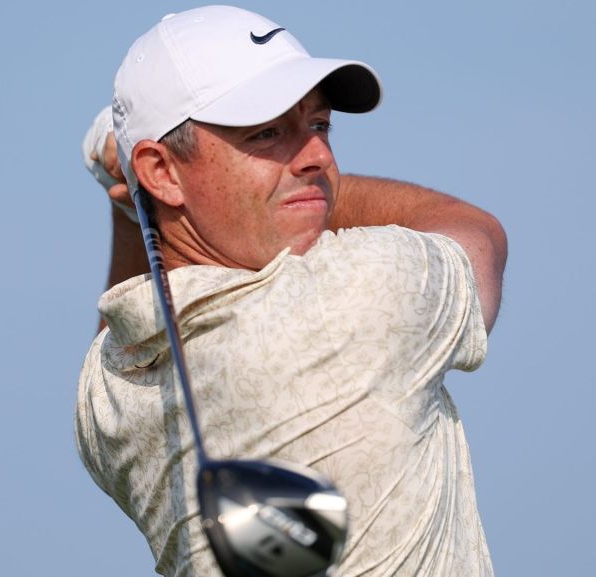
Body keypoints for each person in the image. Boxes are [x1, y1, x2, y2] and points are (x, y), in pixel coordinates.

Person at [74, 6, 507, 576]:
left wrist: (137, 196)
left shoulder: (105, 392)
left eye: (319, 125)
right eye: (268, 132)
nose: (319, 158)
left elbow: (129, 314)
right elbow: (475, 231)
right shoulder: (357, 297)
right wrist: (129, 168)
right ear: (161, 172)